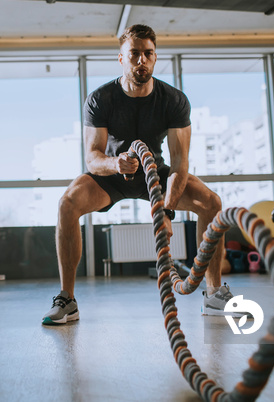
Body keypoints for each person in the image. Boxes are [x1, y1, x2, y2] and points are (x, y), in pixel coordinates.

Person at [42, 24, 235, 325]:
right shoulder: (100, 99)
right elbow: (92, 158)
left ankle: (213, 294)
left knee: (211, 202)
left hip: (155, 175)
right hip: (112, 172)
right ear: (121, 58)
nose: (141, 60)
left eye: (148, 54)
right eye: (134, 54)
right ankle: (67, 299)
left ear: (155, 58)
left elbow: (180, 163)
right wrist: (115, 164)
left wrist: (166, 210)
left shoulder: (174, 100)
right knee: (68, 202)